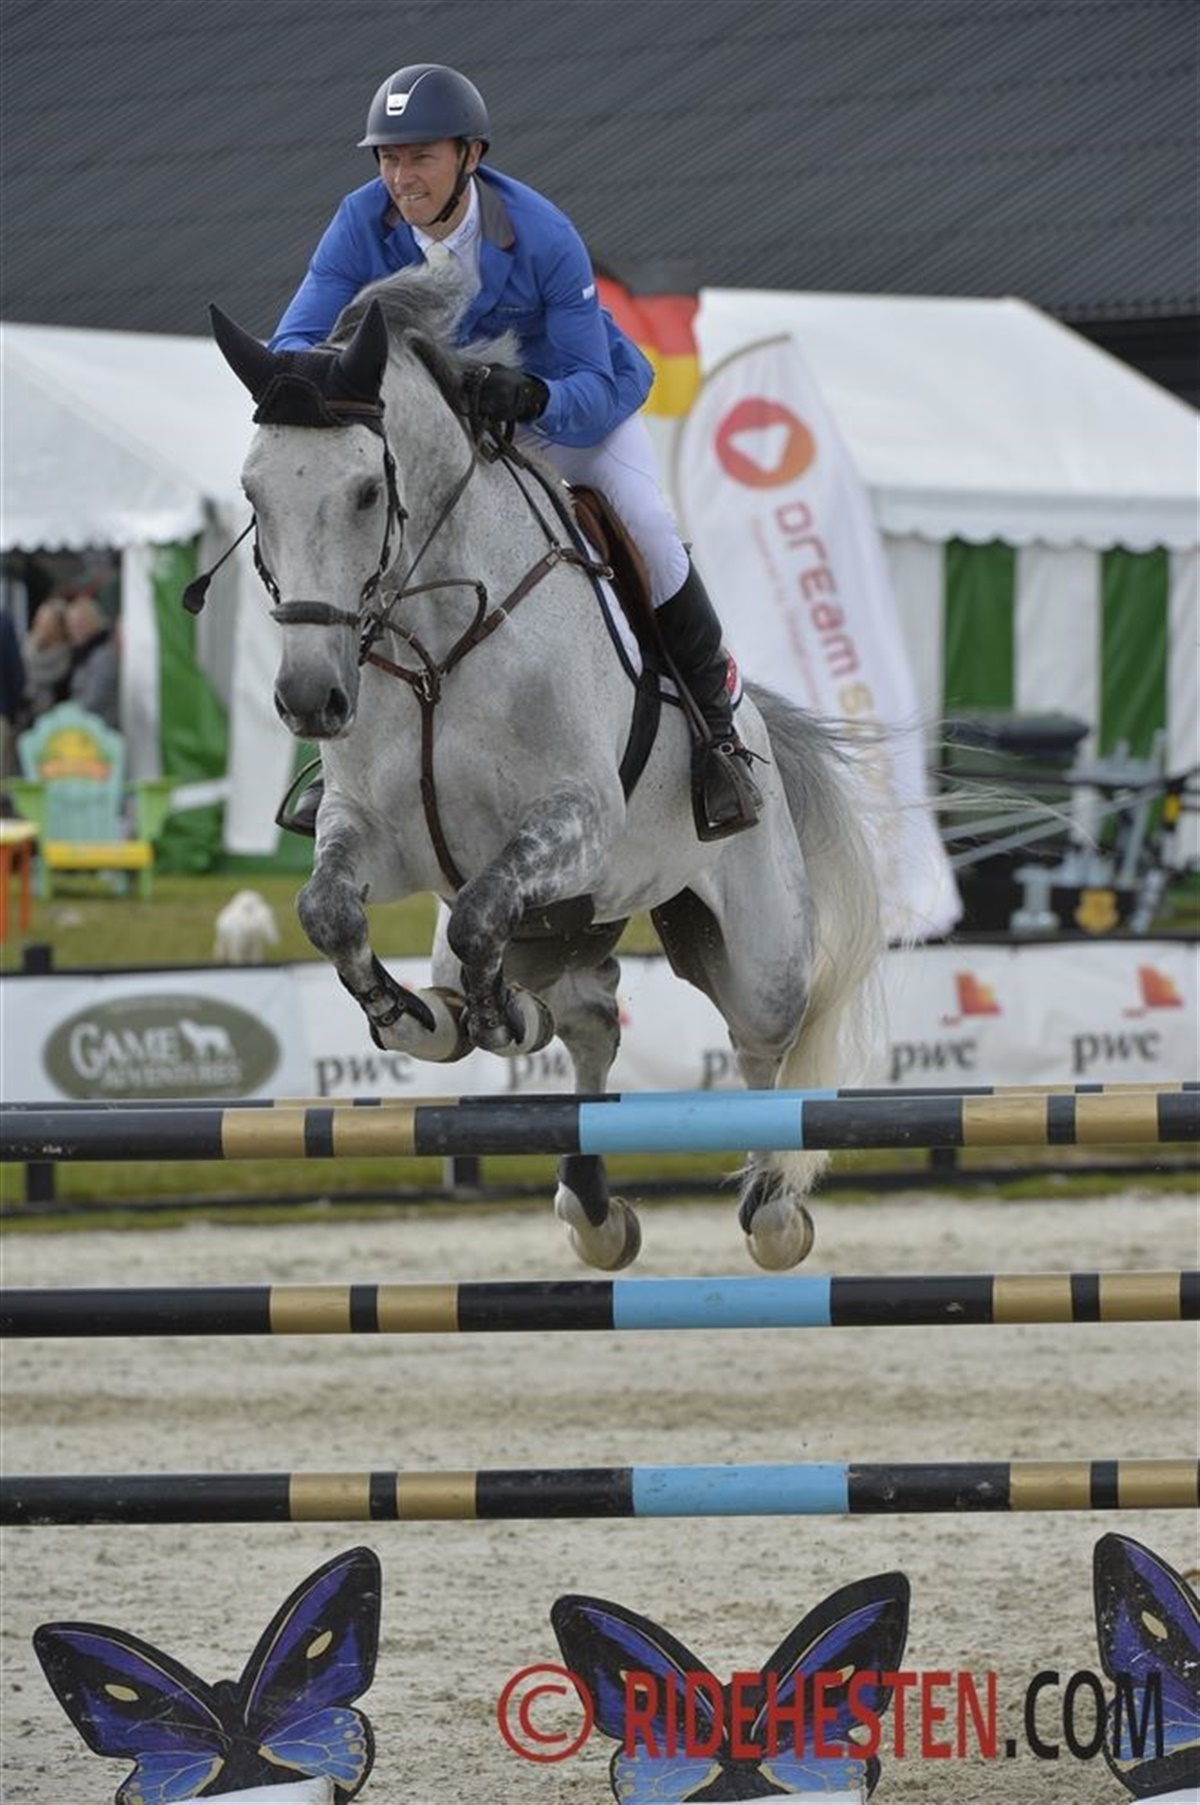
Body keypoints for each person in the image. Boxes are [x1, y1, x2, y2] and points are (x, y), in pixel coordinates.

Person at [270, 62, 761, 841]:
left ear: (470, 155)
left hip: (566, 415)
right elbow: (295, 341)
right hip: (455, 433)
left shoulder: (540, 233)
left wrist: (532, 397)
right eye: (388, 158)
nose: (401, 177)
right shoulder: (360, 222)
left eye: (421, 157)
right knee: (376, 548)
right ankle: (346, 771)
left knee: (647, 523)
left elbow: (591, 381)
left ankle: (717, 733)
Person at [64, 592, 120, 728]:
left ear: (94, 622)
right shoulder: (81, 653)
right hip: (84, 725)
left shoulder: (104, 655)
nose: (75, 630)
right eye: (71, 625)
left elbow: (94, 699)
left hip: (100, 729)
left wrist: (64, 715)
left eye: (80, 624)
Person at [21, 597, 72, 721]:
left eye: (46, 622)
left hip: (55, 720)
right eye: (39, 619)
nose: (39, 625)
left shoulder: (69, 658)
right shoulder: (25, 649)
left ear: (59, 628)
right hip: (23, 716)